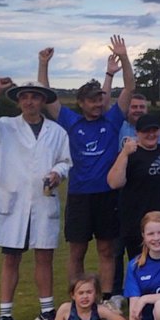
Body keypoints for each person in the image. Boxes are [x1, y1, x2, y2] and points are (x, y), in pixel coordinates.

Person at [0, 77, 71, 320]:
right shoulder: (4, 127)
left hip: (43, 201)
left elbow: (65, 161)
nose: (30, 101)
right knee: (11, 258)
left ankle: (47, 310)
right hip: (13, 203)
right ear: (18, 101)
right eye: (24, 97)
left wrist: (58, 173)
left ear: (43, 101)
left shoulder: (57, 132)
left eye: (35, 96)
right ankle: (5, 314)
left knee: (44, 257)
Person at [38, 37, 135, 292]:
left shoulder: (112, 120)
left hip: (107, 195)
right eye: (92, 100)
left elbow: (130, 87)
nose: (98, 104)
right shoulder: (71, 122)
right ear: (81, 103)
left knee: (107, 249)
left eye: (100, 99)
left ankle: (106, 298)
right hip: (79, 195)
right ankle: (78, 299)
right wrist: (43, 64)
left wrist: (124, 57)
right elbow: (47, 97)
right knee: (77, 251)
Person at [108, 112, 160, 260]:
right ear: (137, 133)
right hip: (138, 225)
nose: (151, 134)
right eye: (146, 131)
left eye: (154, 130)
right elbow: (114, 182)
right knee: (142, 265)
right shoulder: (130, 155)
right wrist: (124, 153)